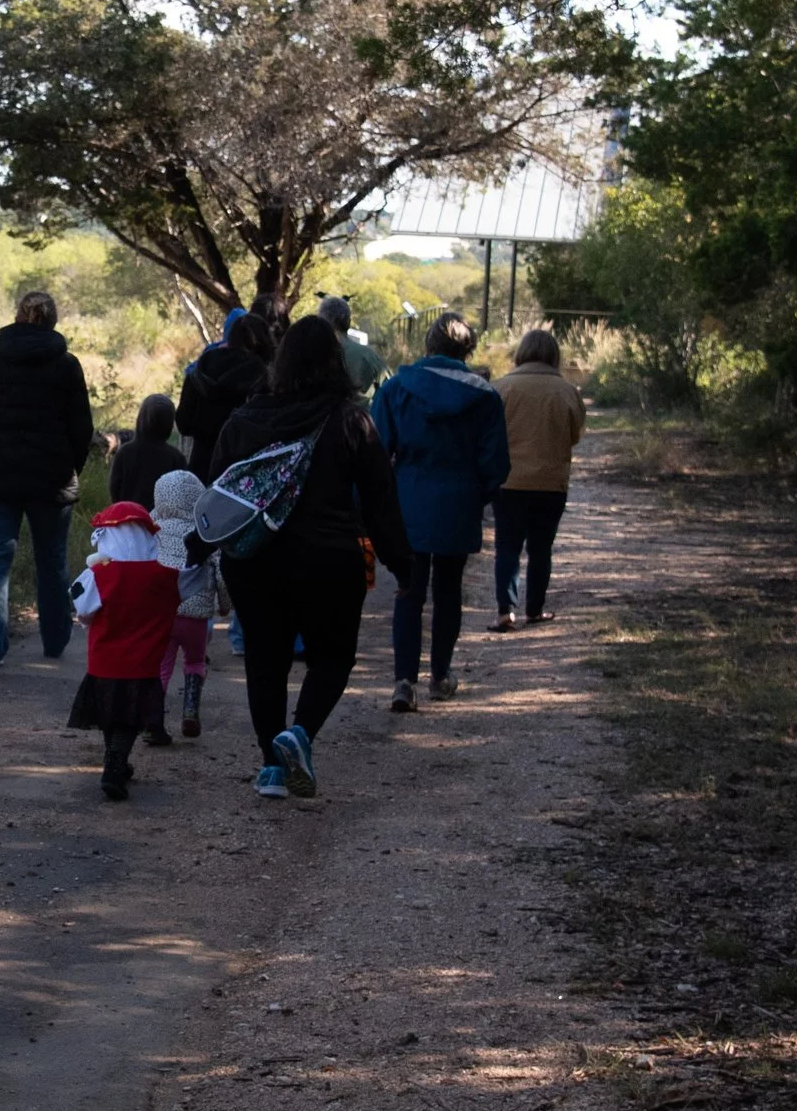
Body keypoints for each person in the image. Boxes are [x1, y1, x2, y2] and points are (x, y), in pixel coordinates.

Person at [211, 316, 412, 800]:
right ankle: (298, 735)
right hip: (329, 561)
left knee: (265, 661)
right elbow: (380, 501)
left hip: (256, 563)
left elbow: (216, 493)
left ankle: (271, 770)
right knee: (334, 658)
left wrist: (197, 554)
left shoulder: (244, 419)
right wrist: (403, 566)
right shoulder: (350, 419)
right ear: (334, 362)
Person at [0, 290, 96, 667]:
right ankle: (55, 640)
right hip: (52, 479)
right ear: (53, 321)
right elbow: (82, 429)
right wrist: (70, 467)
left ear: (17, 317)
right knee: (52, 559)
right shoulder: (67, 366)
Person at [372, 312, 511, 712]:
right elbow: (496, 464)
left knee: (408, 590)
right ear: (468, 349)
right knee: (449, 591)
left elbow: (377, 453)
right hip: (459, 500)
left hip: (409, 502)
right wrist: (475, 495)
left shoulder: (397, 389)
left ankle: (403, 682)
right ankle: (439, 676)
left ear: (429, 344)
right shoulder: (484, 397)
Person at [64, 502, 178, 798]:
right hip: (143, 664)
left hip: (105, 661)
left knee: (108, 712)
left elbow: (83, 608)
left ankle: (114, 759)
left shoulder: (99, 574)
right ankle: (116, 762)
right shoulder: (165, 574)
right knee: (130, 717)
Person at [492, 328, 586, 631]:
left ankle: (505, 611)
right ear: (553, 355)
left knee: (507, 546)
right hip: (550, 483)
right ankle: (535, 609)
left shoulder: (501, 388)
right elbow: (573, 436)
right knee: (541, 549)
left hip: (509, 482)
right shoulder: (567, 391)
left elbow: (488, 435)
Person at [177, 293, 289, 479]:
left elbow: (183, 424)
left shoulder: (199, 371)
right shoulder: (265, 380)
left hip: (201, 467)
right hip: (244, 473)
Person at [150, 468, 218, 739]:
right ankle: (190, 709)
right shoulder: (204, 529)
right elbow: (220, 570)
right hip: (196, 616)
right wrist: (225, 603)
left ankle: (152, 719)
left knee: (161, 666)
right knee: (195, 661)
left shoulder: (152, 529)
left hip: (163, 613)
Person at [107, 392, 188, 509]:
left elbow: (114, 489)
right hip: (160, 523)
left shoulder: (125, 452)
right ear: (170, 423)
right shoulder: (176, 457)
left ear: (141, 418)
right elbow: (182, 495)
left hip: (128, 518)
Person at [316, 296, 387, 395]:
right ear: (348, 322)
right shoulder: (370, 357)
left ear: (319, 323)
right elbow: (391, 393)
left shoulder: (309, 356)